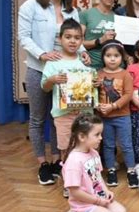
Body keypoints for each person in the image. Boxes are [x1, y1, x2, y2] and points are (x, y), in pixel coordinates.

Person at [18, 0, 89, 185]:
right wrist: (43, 54)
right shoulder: (31, 6)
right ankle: (43, 164)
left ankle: (58, 160)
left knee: (60, 117)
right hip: (39, 68)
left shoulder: (72, 10)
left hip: (66, 74)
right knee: (38, 119)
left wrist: (84, 54)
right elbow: (24, 37)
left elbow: (75, 40)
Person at [41, 18, 97, 163]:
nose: (72, 41)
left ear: (82, 40)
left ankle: (88, 176)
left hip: (85, 114)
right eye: (68, 37)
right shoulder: (53, 62)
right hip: (63, 115)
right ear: (60, 39)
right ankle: (69, 179)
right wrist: (52, 80)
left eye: (77, 38)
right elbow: (45, 87)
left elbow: (94, 84)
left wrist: (96, 83)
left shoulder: (85, 60)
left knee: (87, 146)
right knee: (66, 147)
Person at [61, 113, 126, 212]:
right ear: (82, 137)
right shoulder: (74, 161)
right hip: (84, 205)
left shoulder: (94, 153)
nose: (101, 138)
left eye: (101, 134)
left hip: (98, 198)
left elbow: (98, 176)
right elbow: (75, 192)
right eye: (97, 135)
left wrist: (106, 191)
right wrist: (98, 201)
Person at [96, 40, 138, 188]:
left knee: (126, 144)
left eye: (116, 55)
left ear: (122, 57)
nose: (112, 59)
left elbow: (128, 95)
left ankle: (131, 171)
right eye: (108, 55)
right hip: (105, 118)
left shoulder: (125, 74)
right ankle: (111, 170)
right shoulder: (98, 74)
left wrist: (113, 106)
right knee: (108, 145)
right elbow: (93, 94)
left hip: (122, 116)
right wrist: (98, 105)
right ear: (103, 57)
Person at [80, 0, 120, 70]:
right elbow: (78, 43)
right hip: (91, 66)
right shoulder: (85, 14)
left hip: (114, 69)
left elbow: (120, 45)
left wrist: (127, 57)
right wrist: (100, 40)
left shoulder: (118, 18)